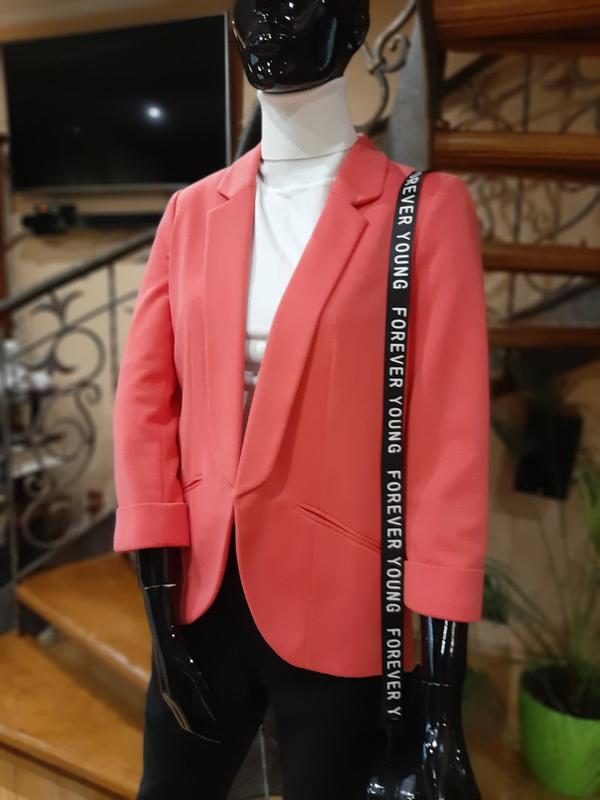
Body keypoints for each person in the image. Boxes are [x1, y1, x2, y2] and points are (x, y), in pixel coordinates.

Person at [112, 2, 489, 798]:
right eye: (253, 1)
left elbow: (449, 447)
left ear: (352, 24)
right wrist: (159, 610)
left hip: (342, 604)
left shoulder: (425, 212)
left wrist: (442, 706)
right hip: (197, 596)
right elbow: (146, 404)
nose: (275, 18)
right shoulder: (191, 213)